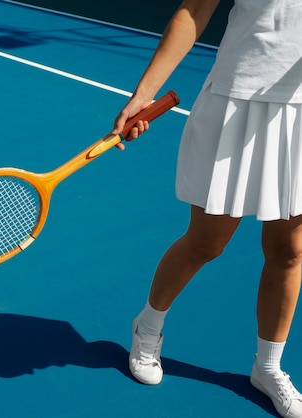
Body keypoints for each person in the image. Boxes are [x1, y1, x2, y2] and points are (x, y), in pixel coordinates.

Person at [112, 0, 302, 417]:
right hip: (237, 97)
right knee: (207, 242)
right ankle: (148, 326)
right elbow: (195, 10)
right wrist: (143, 94)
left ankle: (268, 367)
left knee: (290, 250)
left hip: (300, 113)